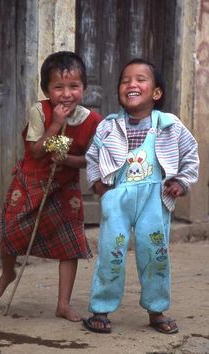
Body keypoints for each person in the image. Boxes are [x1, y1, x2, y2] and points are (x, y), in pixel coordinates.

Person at [83, 58, 199, 333]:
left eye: (140, 79)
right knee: (111, 254)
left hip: (154, 200)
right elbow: (92, 157)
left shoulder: (170, 125)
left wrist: (181, 182)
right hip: (118, 199)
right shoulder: (109, 126)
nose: (131, 84)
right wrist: (98, 184)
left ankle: (156, 309)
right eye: (125, 80)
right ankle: (101, 309)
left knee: (155, 254)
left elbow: (191, 156)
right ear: (120, 92)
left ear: (156, 93)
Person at [0, 51, 102, 322]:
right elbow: (38, 152)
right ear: (46, 89)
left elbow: (91, 160)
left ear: (84, 87)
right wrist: (56, 125)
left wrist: (69, 159)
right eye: (58, 87)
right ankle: (8, 272)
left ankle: (63, 303)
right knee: (10, 232)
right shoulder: (39, 111)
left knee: (71, 243)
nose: (66, 94)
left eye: (74, 86)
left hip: (64, 186)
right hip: (31, 180)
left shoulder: (93, 121)